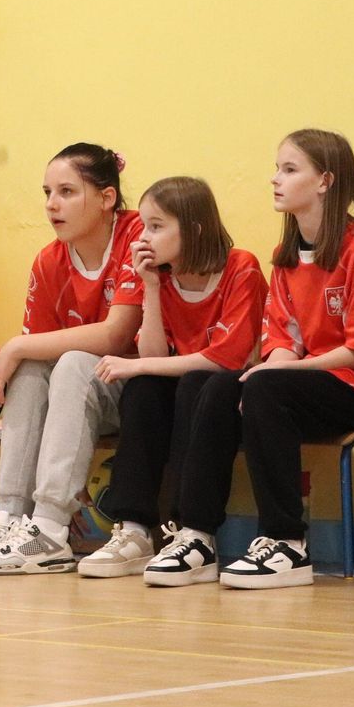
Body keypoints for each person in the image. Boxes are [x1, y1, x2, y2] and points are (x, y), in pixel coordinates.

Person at [138, 130, 354, 589]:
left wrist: (276, 371)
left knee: (264, 384)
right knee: (211, 383)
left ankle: (287, 541)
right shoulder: (285, 259)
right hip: (309, 383)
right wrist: (269, 368)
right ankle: (196, 535)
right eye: (277, 168)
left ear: (325, 181)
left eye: (289, 169)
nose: (275, 179)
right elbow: (285, 340)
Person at [0, 144, 143, 575]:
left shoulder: (135, 237)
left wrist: (14, 347)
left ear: (107, 198)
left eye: (67, 192)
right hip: (80, 396)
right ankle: (11, 516)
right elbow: (36, 351)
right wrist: (19, 355)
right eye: (47, 193)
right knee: (33, 365)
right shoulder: (49, 260)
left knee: (68, 360)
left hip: (141, 388)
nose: (52, 204)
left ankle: (52, 529)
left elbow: (115, 335)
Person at [74, 176, 267, 579]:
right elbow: (154, 357)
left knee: (194, 383)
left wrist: (136, 366)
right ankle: (133, 531)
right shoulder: (160, 278)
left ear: (194, 229)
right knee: (144, 389)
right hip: (185, 390)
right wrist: (150, 288)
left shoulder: (241, 268)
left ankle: (195, 535)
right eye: (144, 225)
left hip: (232, 394)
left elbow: (225, 359)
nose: (143, 237)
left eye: (157, 226)